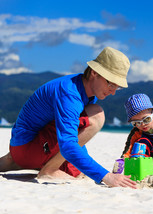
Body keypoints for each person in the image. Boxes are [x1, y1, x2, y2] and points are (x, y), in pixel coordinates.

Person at [0, 47, 137, 189]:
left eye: (118, 87)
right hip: (28, 147)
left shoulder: (85, 90)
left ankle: (16, 162)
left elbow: (74, 131)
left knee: (77, 171)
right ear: (94, 72)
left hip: (24, 148)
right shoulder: (70, 94)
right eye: (111, 83)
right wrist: (106, 176)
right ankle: (49, 171)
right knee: (97, 114)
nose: (113, 92)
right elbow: (68, 144)